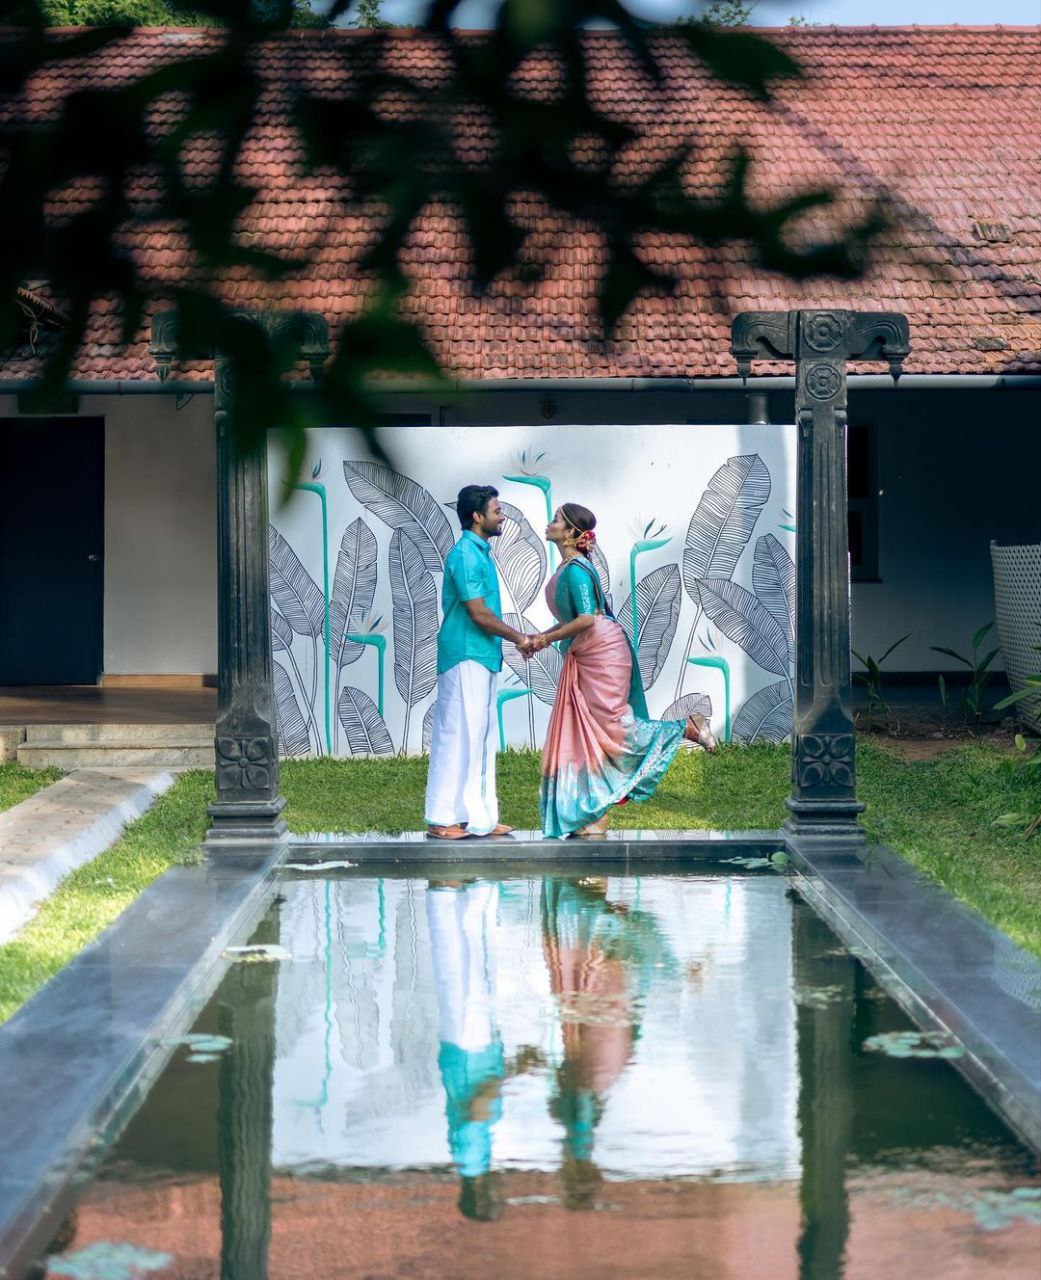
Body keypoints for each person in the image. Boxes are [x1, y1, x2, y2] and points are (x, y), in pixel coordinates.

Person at [530, 503, 716, 838]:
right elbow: (575, 620)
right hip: (588, 651)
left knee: (615, 729)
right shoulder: (569, 568)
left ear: (571, 533)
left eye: (557, 520)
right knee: (591, 733)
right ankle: (594, 812)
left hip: (602, 653)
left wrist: (543, 639)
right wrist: (543, 639)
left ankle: (686, 727)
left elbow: (587, 618)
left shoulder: (576, 570)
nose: (550, 523)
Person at [425, 484, 534, 840]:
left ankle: (479, 817)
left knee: (481, 738)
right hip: (465, 653)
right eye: (496, 510)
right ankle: (443, 819)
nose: (501, 516)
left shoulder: (480, 552)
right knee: (457, 735)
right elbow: (477, 612)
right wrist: (518, 637)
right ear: (477, 516)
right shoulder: (466, 555)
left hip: (481, 655)